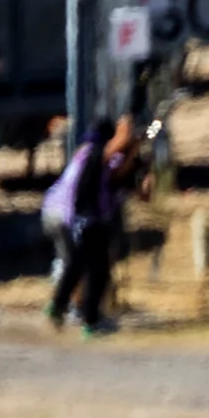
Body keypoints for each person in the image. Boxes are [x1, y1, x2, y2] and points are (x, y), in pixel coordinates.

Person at [40, 116, 133, 335]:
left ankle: (59, 307)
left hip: (66, 214)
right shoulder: (95, 153)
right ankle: (86, 319)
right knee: (94, 269)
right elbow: (122, 144)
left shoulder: (85, 154)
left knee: (77, 264)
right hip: (80, 218)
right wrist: (133, 125)